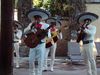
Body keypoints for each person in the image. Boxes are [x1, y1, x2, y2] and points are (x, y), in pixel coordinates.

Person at [24, 8, 51, 75]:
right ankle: (32, 72)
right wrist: (30, 27)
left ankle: (39, 73)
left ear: (41, 18)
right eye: (36, 18)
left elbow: (49, 37)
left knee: (40, 60)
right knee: (31, 60)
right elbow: (24, 32)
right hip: (32, 44)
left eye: (39, 18)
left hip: (41, 44)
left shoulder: (46, 25)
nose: (37, 19)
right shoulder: (31, 24)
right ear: (34, 18)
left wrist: (46, 33)